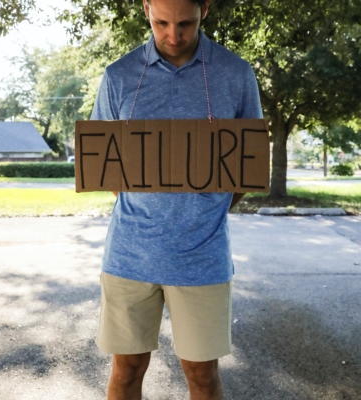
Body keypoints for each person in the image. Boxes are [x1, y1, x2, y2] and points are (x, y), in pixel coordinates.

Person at [90, 0, 263, 398]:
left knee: (202, 375)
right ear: (146, 8)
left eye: (185, 23)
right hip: (130, 256)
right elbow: (105, 165)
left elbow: (245, 169)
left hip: (203, 258)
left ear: (206, 8)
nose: (173, 36)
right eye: (161, 22)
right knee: (126, 368)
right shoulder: (118, 77)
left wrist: (204, 212)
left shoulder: (236, 75)